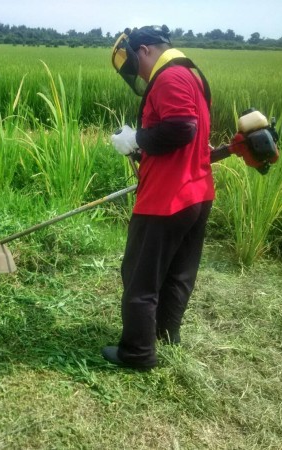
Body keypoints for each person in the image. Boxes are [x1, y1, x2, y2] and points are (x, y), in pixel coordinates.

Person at [103, 25, 214, 370]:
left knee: (140, 274)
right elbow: (186, 136)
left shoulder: (169, 79)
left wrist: (137, 140)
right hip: (196, 193)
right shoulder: (190, 75)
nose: (135, 69)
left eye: (134, 60)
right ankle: (166, 336)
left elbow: (181, 128)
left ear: (146, 50)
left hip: (167, 198)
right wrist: (143, 147)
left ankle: (137, 353)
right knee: (178, 272)